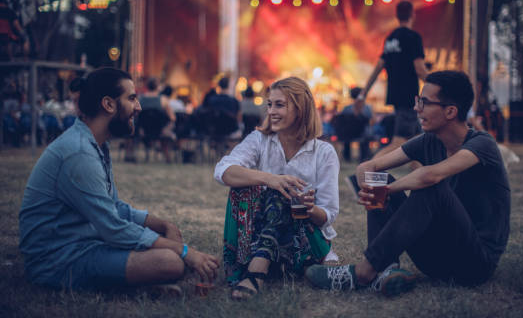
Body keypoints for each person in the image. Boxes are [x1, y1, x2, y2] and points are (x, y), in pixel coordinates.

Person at [306, 71, 510, 297]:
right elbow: (367, 167)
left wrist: (387, 190)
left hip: (474, 264)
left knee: (431, 187)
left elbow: (429, 177)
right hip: (435, 260)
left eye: (424, 102)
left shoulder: (483, 144)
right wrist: (370, 187)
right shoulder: (428, 141)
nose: (416, 108)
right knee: (381, 179)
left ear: (451, 111)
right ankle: (385, 271)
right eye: (417, 100)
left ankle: (364, 271)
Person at [19, 68, 219, 291]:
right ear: (109, 104)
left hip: (86, 242)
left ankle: (140, 282)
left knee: (165, 245)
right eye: (132, 98)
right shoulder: (79, 153)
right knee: (170, 261)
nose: (139, 107)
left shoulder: (96, 144)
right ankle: (138, 285)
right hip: (58, 260)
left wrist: (164, 225)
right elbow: (113, 227)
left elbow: (113, 207)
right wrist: (184, 252)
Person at [214, 76, 340, 300]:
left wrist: (310, 209)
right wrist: (269, 179)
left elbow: (327, 215)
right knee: (245, 186)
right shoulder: (259, 140)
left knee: (284, 191)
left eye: (280, 105)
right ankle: (264, 260)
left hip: (303, 243)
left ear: (300, 109)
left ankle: (256, 271)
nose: (271, 111)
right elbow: (223, 171)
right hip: (262, 235)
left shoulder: (324, 153)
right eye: (269, 104)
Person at [359, 0, 429, 157]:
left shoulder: (390, 38)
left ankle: (421, 177)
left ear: (397, 16)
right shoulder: (413, 37)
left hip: (396, 96)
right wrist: (440, 86)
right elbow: (420, 69)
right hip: (409, 97)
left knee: (417, 142)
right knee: (399, 143)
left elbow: (377, 69)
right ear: (413, 15)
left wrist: (363, 94)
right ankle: (368, 171)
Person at [338, 87, 373, 162]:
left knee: (348, 136)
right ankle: (364, 157)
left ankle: (347, 157)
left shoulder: (346, 108)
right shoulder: (367, 108)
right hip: (360, 133)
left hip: (351, 133)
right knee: (366, 134)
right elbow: (371, 120)